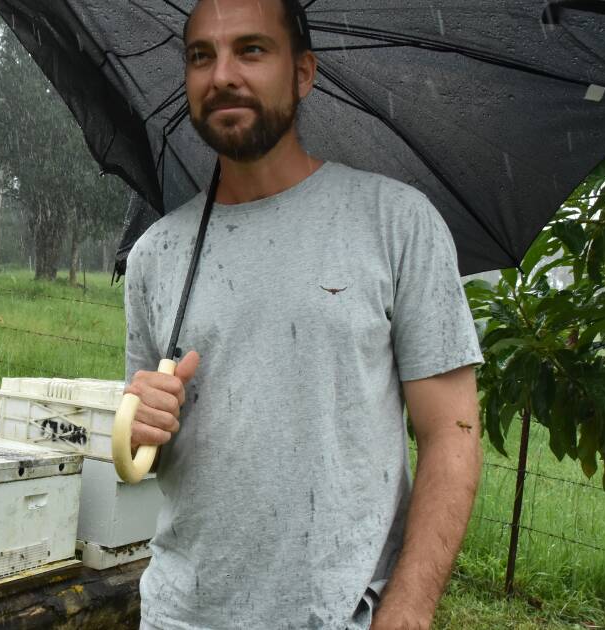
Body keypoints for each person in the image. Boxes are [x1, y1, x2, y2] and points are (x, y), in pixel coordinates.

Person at [123, 0, 484, 628]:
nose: (222, 75)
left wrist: (409, 610)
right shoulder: (157, 253)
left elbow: (450, 436)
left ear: (304, 73)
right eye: (200, 56)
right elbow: (138, 454)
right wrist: (136, 424)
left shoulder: (396, 223)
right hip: (179, 615)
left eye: (252, 50)